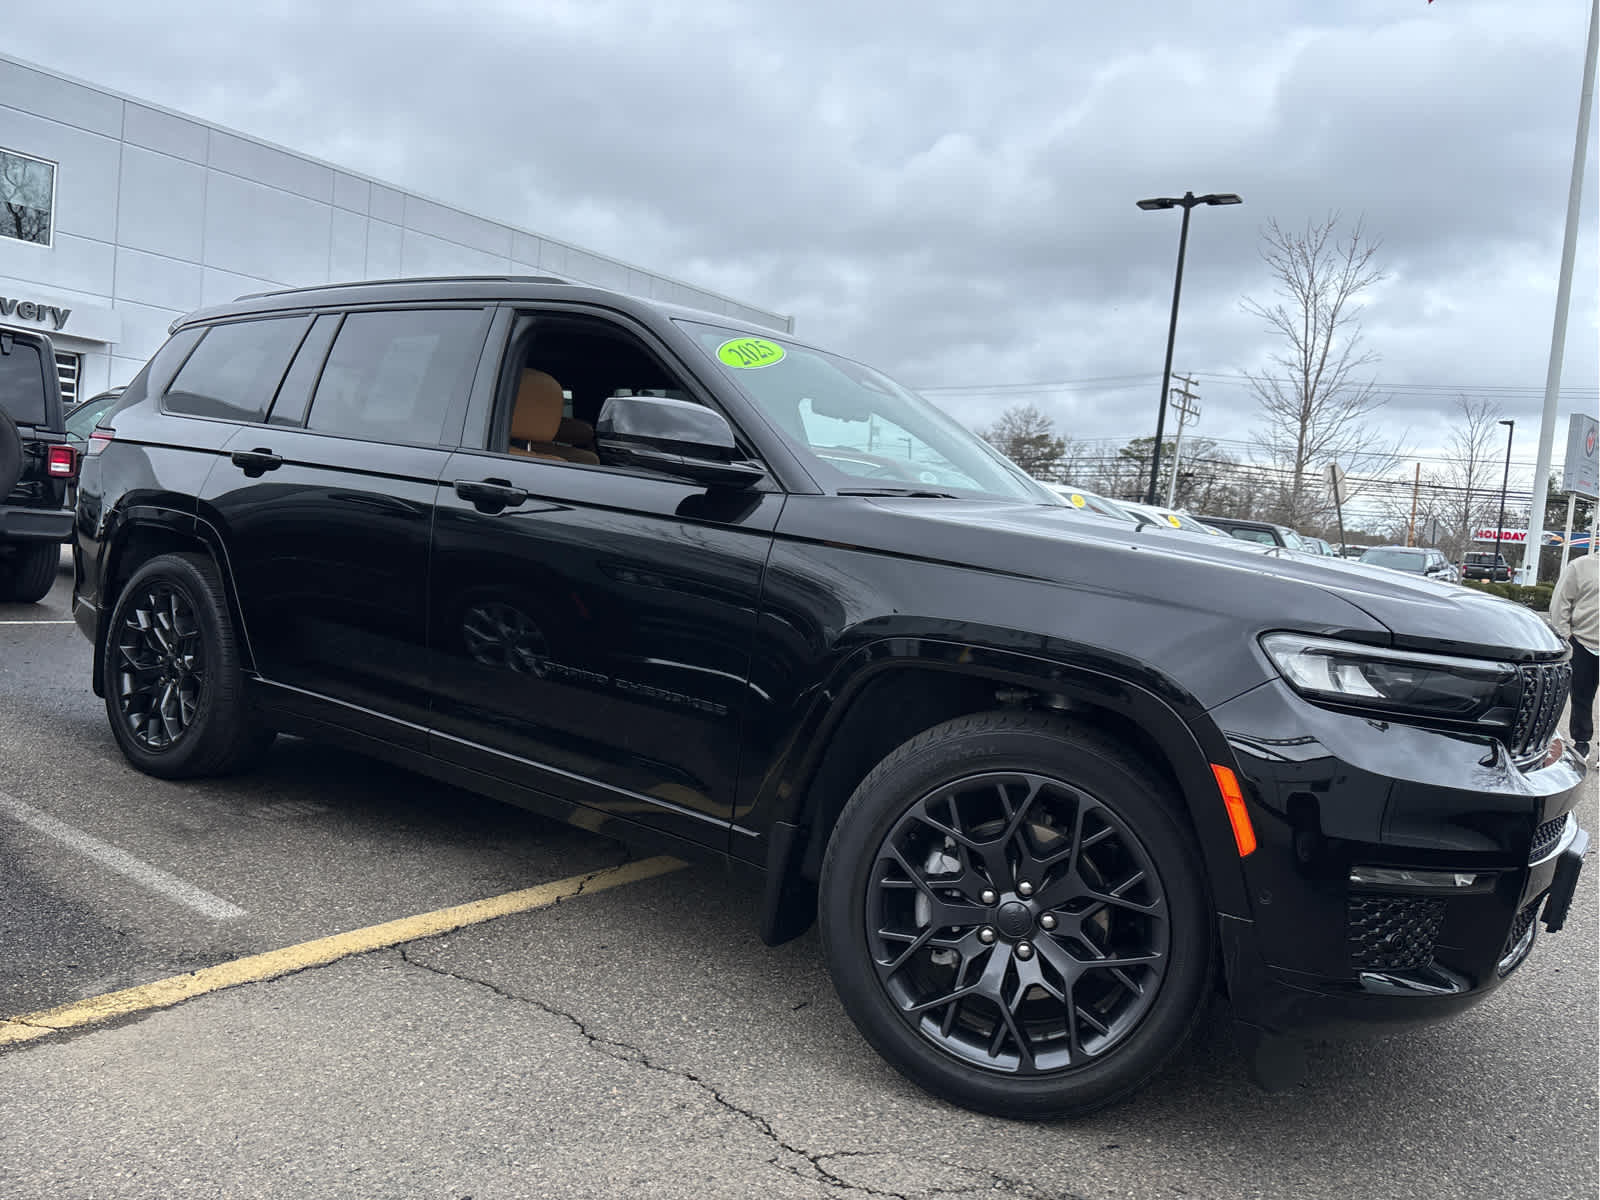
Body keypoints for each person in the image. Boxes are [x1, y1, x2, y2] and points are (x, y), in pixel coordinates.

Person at [1549, 547, 1598, 759]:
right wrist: (1565, 636)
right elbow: (1561, 601)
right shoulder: (1581, 566)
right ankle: (1582, 742)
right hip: (1583, 643)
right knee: (1581, 697)